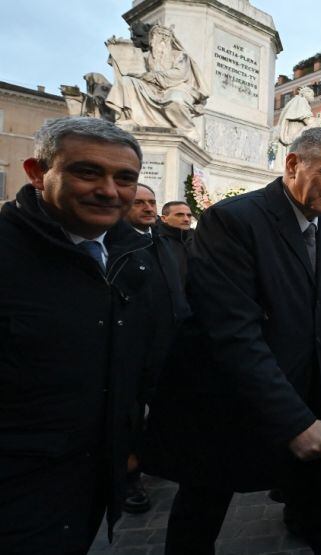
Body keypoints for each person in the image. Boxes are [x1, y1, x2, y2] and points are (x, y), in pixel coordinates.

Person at [144, 127, 321, 554]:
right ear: (292, 165)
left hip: (310, 399)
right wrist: (294, 421)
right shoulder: (232, 220)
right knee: (201, 510)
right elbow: (231, 331)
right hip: (232, 402)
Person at [0, 117, 172, 553]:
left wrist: (130, 440)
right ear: (37, 173)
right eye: (87, 172)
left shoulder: (135, 254)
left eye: (125, 178)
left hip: (93, 479)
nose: (109, 191)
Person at [121, 184, 190, 514]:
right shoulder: (117, 244)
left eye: (151, 202)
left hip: (170, 342)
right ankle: (128, 476)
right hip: (133, 348)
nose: (147, 208)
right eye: (140, 203)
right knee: (129, 415)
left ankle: (157, 459)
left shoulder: (163, 242)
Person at [158, 200, 193, 278]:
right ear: (164, 218)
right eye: (179, 215)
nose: (186, 219)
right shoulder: (156, 241)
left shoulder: (198, 239)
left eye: (189, 215)